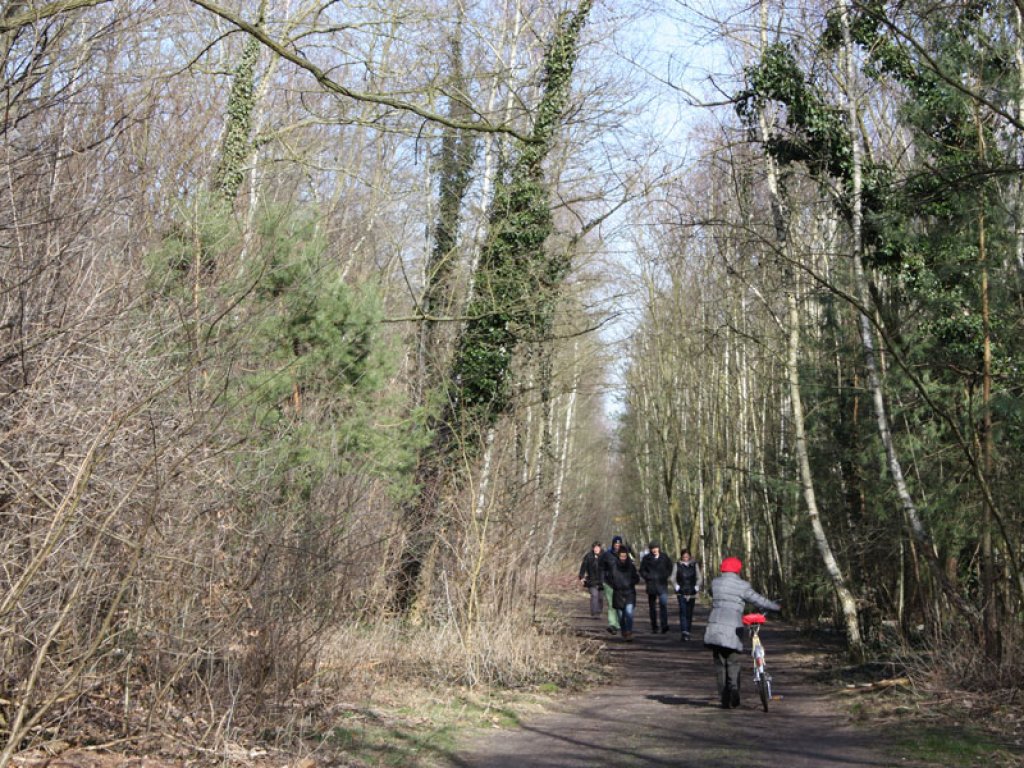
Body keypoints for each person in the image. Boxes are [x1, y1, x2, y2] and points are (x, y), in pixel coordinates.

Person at [703, 556, 780, 709]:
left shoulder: (715, 583)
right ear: (738, 569)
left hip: (715, 628)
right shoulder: (742, 585)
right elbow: (758, 600)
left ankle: (725, 700)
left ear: (722, 568)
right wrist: (776, 607)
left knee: (720, 664)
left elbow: (712, 594)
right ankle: (734, 691)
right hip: (733, 629)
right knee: (733, 663)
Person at [605, 546, 640, 640]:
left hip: (629, 592)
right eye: (621, 556)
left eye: (625, 556)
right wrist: (614, 585)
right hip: (618, 593)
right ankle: (624, 631)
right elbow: (607, 578)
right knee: (621, 616)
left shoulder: (631, 566)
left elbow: (636, 578)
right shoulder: (613, 566)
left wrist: (631, 583)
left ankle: (629, 631)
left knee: (628, 613)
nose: (623, 558)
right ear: (618, 556)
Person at [639, 541, 673, 633]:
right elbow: (642, 571)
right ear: (650, 549)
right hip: (651, 585)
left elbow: (670, 567)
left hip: (662, 585)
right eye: (652, 548)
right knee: (652, 608)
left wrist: (666, 575)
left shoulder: (664, 557)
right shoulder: (646, 559)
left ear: (659, 548)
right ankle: (654, 626)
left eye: (656, 548)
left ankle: (664, 625)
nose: (654, 550)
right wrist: (648, 577)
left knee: (663, 605)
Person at [670, 548, 703, 641]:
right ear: (681, 556)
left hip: (692, 592)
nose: (685, 558)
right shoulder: (677, 565)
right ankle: (684, 631)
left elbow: (699, 577)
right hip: (681, 592)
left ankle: (688, 630)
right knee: (683, 611)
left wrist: (697, 587)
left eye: (687, 556)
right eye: (684, 556)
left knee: (689, 612)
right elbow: (672, 578)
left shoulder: (694, 565)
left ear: (690, 556)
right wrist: (676, 587)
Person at [599, 535, 627, 634]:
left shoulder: (625, 554)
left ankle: (620, 623)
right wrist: (602, 580)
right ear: (613, 544)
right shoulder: (607, 555)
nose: (617, 545)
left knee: (620, 605)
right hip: (609, 583)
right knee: (611, 605)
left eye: (619, 543)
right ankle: (613, 624)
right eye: (616, 543)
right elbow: (601, 568)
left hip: (621, 584)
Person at [578, 541, 604, 617]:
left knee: (601, 597)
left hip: (602, 580)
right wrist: (581, 577)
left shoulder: (605, 556)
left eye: (597, 547)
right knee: (594, 595)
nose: (596, 549)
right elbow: (583, 567)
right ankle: (594, 612)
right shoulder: (588, 556)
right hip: (591, 580)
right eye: (595, 547)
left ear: (600, 548)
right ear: (593, 548)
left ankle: (599, 611)